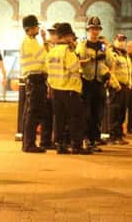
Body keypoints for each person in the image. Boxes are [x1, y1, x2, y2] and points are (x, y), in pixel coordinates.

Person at [46, 23, 91, 154]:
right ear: (66, 36)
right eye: (71, 36)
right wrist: (78, 59)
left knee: (59, 118)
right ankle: (77, 145)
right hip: (70, 89)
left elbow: (48, 70)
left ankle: (60, 145)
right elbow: (74, 68)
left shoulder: (52, 51)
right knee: (76, 117)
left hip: (56, 89)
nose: (72, 39)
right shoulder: (68, 51)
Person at [76, 16, 112, 152]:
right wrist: (91, 59)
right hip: (87, 81)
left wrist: (107, 74)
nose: (95, 32)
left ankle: (93, 140)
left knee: (98, 113)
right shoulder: (83, 45)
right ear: (88, 30)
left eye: (97, 29)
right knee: (86, 112)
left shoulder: (102, 45)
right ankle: (85, 139)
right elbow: (78, 61)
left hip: (99, 82)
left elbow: (109, 62)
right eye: (92, 29)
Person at [19, 14, 52, 153]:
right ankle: (29, 144)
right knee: (32, 113)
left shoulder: (32, 41)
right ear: (31, 28)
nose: (38, 28)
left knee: (33, 113)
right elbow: (45, 57)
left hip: (36, 79)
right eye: (37, 26)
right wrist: (47, 42)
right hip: (35, 79)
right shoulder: (29, 42)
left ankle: (29, 143)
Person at [108, 33, 132, 145]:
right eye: (119, 40)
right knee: (115, 111)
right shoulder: (112, 54)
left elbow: (129, 70)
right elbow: (110, 71)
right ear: (114, 40)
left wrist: (129, 82)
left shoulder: (125, 55)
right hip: (116, 86)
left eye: (123, 40)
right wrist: (115, 84)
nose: (122, 42)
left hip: (125, 86)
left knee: (122, 111)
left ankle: (119, 135)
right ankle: (113, 136)